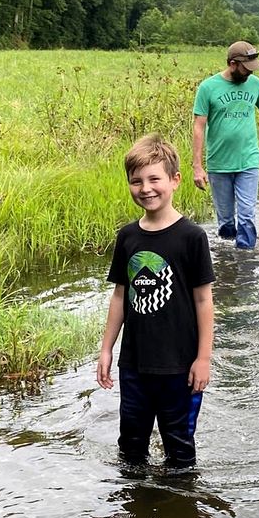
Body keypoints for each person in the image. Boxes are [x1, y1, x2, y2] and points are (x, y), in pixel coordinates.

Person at [98, 134, 215, 468]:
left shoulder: (192, 237)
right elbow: (120, 294)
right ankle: (136, 509)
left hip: (179, 365)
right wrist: (107, 349)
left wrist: (203, 358)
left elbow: (204, 300)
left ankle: (176, 510)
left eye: (154, 179)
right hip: (134, 363)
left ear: (175, 181)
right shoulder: (128, 236)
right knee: (130, 449)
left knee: (179, 451)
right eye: (136, 181)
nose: (145, 188)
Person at [192, 40, 259, 249]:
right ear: (233, 63)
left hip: (249, 160)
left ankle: (246, 267)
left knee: (246, 215)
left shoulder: (255, 85)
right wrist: (197, 166)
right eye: (246, 68)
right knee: (226, 221)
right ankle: (227, 265)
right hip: (219, 163)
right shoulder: (208, 88)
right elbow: (199, 126)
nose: (250, 73)